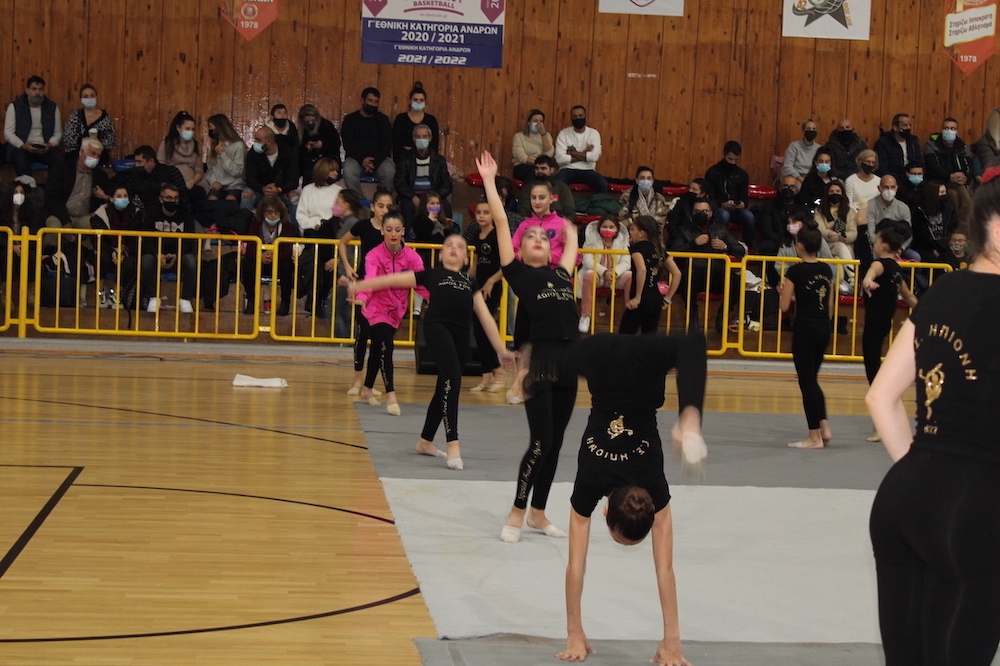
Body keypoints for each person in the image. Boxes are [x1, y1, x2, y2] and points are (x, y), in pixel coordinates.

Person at [866, 165, 1000, 666]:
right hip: (974, 508)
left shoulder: (941, 291)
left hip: (905, 496)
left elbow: (880, 397)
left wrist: (925, 470)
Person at [556, 331, 707, 666]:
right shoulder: (599, 481)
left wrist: (574, 633)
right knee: (547, 365)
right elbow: (664, 569)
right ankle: (690, 417)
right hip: (605, 357)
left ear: (605, 510)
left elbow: (576, 565)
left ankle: (691, 418)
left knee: (547, 365)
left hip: (609, 355)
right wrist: (671, 642)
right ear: (605, 510)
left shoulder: (650, 486)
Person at [477, 150, 580, 543]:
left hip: (569, 364)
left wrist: (566, 222)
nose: (538, 238)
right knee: (540, 441)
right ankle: (517, 511)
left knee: (556, 444)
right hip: (541, 365)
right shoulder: (519, 274)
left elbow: (570, 241)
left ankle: (539, 512)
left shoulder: (563, 275)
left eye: (543, 237)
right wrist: (490, 181)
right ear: (520, 251)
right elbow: (503, 222)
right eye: (531, 237)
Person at [351, 234, 511, 469]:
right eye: (449, 246)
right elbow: (392, 279)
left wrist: (501, 350)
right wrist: (362, 285)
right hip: (437, 328)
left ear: (467, 258)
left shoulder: (470, 281)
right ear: (441, 254)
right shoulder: (432, 274)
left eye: (460, 247)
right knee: (453, 378)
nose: (454, 248)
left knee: (445, 386)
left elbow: (485, 317)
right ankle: (453, 443)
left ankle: (425, 442)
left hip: (461, 335)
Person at [349, 208, 426, 416]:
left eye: (397, 230)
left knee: (378, 349)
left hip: (397, 311)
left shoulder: (412, 257)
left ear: (403, 231)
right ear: (382, 230)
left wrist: (437, 299)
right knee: (386, 345)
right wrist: (362, 298)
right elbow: (370, 279)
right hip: (375, 308)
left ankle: (367, 388)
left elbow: (421, 283)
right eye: (389, 229)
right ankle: (391, 394)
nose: (393, 234)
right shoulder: (373, 255)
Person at [860, 220, 918, 443]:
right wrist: (926, 312)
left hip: (875, 324)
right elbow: (909, 296)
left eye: (876, 241)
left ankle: (880, 425)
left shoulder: (881, 264)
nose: (875, 245)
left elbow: (871, 273)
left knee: (874, 373)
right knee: (876, 372)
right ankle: (883, 422)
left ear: (884, 246)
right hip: (885, 322)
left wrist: (867, 281)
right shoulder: (895, 268)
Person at [779, 225, 834, 449]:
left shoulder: (795, 272)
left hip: (805, 327)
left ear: (799, 246)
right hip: (823, 326)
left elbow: (784, 307)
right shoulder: (826, 270)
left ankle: (814, 436)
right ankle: (824, 427)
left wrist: (784, 293)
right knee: (813, 378)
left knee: (807, 381)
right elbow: (828, 303)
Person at [340, 186, 394, 395]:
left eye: (388, 206)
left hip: (384, 288)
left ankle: (369, 384)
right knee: (362, 333)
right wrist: (347, 267)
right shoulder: (363, 226)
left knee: (379, 338)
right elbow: (342, 243)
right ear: (372, 207)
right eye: (380, 206)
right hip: (364, 285)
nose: (384, 210)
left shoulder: (392, 230)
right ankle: (357, 380)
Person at [134, 183, 199, 314]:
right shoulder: (152, 215)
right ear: (161, 199)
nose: (173, 201)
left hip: (178, 256)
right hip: (157, 256)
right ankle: (153, 297)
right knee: (146, 260)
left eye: (175, 198)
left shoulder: (186, 215)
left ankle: (185, 299)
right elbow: (146, 241)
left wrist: (176, 255)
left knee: (190, 260)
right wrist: (158, 254)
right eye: (169, 198)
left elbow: (189, 243)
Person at [466, 198, 506, 392]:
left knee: (486, 330)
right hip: (478, 285)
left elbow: (506, 266)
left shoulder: (497, 235)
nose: (481, 216)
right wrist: (466, 279)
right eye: (479, 212)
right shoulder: (476, 235)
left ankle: (499, 372)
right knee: (477, 331)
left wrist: (491, 281)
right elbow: (477, 263)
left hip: (492, 286)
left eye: (486, 212)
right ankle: (486, 375)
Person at [619, 215, 681, 336]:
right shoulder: (659, 250)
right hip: (656, 299)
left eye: (633, 229)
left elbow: (642, 270)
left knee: (624, 336)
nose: (631, 232)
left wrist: (637, 297)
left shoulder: (637, 248)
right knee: (649, 339)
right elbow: (677, 273)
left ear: (641, 233)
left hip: (642, 300)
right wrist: (668, 298)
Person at [242, 196, 300, 316]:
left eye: (276, 212)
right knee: (247, 264)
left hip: (279, 262)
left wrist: (274, 256)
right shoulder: (255, 225)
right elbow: (250, 248)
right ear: (263, 213)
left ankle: (285, 303)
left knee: (287, 265)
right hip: (260, 262)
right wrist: (261, 256)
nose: (273, 215)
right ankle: (251, 301)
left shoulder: (288, 227)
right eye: (269, 212)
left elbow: (287, 250)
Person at [319, 188, 364, 336]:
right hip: (348, 273)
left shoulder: (351, 223)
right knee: (344, 311)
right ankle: (350, 341)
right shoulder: (348, 223)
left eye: (338, 201)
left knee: (333, 310)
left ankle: (346, 342)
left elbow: (355, 252)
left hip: (348, 275)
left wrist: (345, 273)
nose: (335, 204)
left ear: (346, 204)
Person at [578, 215, 632, 334]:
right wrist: (604, 271)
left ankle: (630, 315)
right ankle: (585, 316)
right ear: (599, 228)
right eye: (605, 226)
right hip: (598, 275)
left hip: (615, 277)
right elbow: (587, 260)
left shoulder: (622, 240)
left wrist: (614, 272)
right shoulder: (591, 239)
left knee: (629, 275)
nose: (608, 229)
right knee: (589, 274)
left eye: (611, 227)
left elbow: (626, 262)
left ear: (617, 229)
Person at [43, 136, 111, 230]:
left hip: (84, 217)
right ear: (82, 152)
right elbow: (52, 197)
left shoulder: (101, 176)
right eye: (93, 153)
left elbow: (106, 202)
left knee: (95, 225)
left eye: (98, 155)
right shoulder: (62, 169)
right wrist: (66, 221)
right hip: (59, 215)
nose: (95, 158)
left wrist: (98, 210)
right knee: (55, 227)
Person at [394, 123, 452, 229]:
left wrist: (434, 198)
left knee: (445, 206)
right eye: (418, 136)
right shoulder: (405, 158)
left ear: (430, 138)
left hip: (433, 196)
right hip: (412, 196)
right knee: (406, 207)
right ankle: (407, 236)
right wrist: (412, 196)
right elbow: (399, 182)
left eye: (424, 136)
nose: (421, 139)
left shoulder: (439, 160)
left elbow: (447, 184)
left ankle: (444, 235)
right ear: (413, 139)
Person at [4, 75, 64, 176]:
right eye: (34, 89)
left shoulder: (52, 107)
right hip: (22, 147)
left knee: (59, 160)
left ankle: (52, 185)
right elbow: (8, 133)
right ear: (27, 90)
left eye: (40, 89)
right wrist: (22, 145)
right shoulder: (15, 107)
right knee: (20, 158)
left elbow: (58, 132)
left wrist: (50, 144)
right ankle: (26, 185)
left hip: (45, 147)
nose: (37, 92)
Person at [341, 87, 395, 195]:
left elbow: (386, 144)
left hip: (380, 159)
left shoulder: (383, 120)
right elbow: (348, 144)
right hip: (356, 159)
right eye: (370, 100)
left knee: (391, 171)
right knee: (348, 170)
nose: (373, 104)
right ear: (362, 100)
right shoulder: (350, 119)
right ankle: (357, 201)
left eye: (376, 102)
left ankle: (383, 200)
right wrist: (362, 160)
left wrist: (375, 161)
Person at [924, 117, 974, 225]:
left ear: (957, 131)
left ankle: (962, 226)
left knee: (957, 193)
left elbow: (969, 166)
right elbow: (934, 166)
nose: (949, 131)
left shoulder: (963, 147)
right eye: (946, 128)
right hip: (938, 181)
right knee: (953, 195)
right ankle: (958, 226)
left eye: (952, 128)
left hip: (958, 182)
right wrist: (949, 176)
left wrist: (965, 177)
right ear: (941, 130)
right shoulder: (931, 145)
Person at [704, 141, 754, 245]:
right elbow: (709, 198)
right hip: (718, 209)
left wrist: (742, 204)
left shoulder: (742, 175)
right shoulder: (713, 172)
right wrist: (722, 204)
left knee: (749, 216)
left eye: (736, 160)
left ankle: (748, 246)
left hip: (736, 210)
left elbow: (744, 197)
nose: (733, 163)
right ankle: (720, 245)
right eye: (730, 159)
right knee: (724, 215)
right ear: (724, 154)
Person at [112, 145, 187, 212]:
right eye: (136, 162)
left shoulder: (171, 172)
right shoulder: (133, 174)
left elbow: (182, 196)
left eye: (140, 162)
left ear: (151, 161)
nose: (137, 165)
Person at [243, 126, 300, 211]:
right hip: (261, 191)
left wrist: (279, 189)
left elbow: (293, 180)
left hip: (282, 191)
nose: (255, 143)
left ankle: (296, 220)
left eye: (258, 140)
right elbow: (250, 178)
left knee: (294, 196)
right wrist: (262, 188)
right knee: (246, 194)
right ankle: (244, 218)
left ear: (269, 141)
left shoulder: (288, 152)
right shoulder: (253, 153)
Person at [813, 181, 857, 289]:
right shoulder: (819, 211)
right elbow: (821, 231)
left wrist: (842, 236)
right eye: (832, 191)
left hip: (846, 246)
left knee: (838, 260)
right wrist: (838, 236)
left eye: (838, 191)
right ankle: (852, 276)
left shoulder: (850, 211)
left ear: (842, 194)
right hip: (826, 246)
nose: (835, 193)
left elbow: (853, 233)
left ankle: (838, 287)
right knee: (840, 246)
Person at [554, 105, 608, 193]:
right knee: (558, 183)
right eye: (574, 116)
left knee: (603, 184)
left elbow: (594, 157)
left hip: (588, 170)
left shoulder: (593, 133)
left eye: (580, 116)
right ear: (571, 118)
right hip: (567, 169)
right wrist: (585, 153)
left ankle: (598, 202)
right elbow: (559, 158)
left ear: (585, 117)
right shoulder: (564, 133)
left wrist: (572, 152)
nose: (578, 118)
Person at [0, 179, 42, 291]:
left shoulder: (30, 212)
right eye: (16, 192)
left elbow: (35, 230)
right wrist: (11, 245)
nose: (19, 195)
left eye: (22, 193)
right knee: (6, 257)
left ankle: (30, 289)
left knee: (32, 257)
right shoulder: (2, 211)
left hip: (25, 246)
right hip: (5, 247)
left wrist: (24, 245)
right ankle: (5, 290)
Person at [62, 84, 116, 164]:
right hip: (76, 154)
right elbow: (67, 139)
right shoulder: (75, 116)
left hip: (98, 154)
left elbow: (111, 141)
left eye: (92, 95)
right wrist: (82, 142)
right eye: (86, 96)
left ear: (96, 97)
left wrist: (97, 143)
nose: (89, 98)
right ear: (81, 99)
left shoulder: (105, 118)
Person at [157, 111, 205, 199]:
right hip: (173, 183)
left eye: (192, 129)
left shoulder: (197, 146)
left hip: (192, 183)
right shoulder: (167, 144)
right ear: (178, 128)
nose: (190, 132)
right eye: (187, 129)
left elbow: (199, 170)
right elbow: (160, 166)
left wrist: (191, 182)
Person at [911, 180, 957, 263]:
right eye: (942, 192)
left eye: (945, 192)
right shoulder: (920, 211)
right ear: (933, 194)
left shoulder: (950, 209)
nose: (945, 195)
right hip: (926, 248)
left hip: (945, 246)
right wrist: (933, 250)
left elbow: (953, 229)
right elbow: (920, 237)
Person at [392, 82, 440, 163]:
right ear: (410, 101)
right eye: (415, 100)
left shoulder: (431, 120)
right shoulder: (401, 119)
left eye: (421, 100)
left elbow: (434, 145)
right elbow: (396, 144)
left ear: (425, 102)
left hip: (426, 161)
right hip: (404, 161)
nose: (418, 102)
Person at [517, 155, 575, 220]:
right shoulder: (528, 188)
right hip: (534, 222)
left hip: (558, 222)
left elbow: (570, 212)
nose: (539, 171)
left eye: (543, 168)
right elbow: (523, 212)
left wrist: (564, 224)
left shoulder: (562, 187)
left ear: (552, 170)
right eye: (537, 168)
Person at [756, 176, 804, 255]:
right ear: (779, 188)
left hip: (798, 239)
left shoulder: (802, 207)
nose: (788, 189)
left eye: (792, 187)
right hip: (777, 240)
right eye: (785, 186)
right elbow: (766, 231)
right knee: (767, 246)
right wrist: (782, 240)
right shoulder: (769, 205)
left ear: (797, 190)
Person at [296, 104, 342, 186]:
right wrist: (307, 148)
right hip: (310, 160)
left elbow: (336, 144)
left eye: (312, 120)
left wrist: (323, 145)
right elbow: (299, 150)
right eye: (307, 122)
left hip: (328, 157)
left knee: (326, 170)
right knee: (308, 172)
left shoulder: (327, 126)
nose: (310, 123)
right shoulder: (301, 131)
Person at [204, 114, 246, 201]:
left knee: (229, 200)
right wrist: (213, 181)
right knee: (212, 199)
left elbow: (237, 171)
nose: (210, 130)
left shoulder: (238, 145)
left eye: (211, 127)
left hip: (235, 186)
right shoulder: (214, 145)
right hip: (218, 185)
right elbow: (210, 169)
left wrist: (223, 155)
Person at [619, 166, 670, 231]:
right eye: (642, 178)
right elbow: (624, 219)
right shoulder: (626, 197)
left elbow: (660, 220)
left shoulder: (659, 198)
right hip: (632, 234)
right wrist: (638, 232)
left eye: (649, 178)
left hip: (653, 234)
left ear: (652, 181)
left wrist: (647, 232)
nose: (645, 181)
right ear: (637, 180)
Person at [874, 113, 921, 181]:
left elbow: (919, 162)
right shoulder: (883, 143)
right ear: (895, 127)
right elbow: (882, 168)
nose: (908, 128)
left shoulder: (913, 142)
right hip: (892, 179)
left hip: (912, 178)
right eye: (905, 125)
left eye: (910, 125)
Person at [511, 109, 554, 183]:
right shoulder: (519, 136)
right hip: (523, 166)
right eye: (535, 121)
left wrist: (543, 135)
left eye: (541, 121)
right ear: (528, 122)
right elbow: (522, 157)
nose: (538, 124)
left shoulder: (547, 136)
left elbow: (549, 154)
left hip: (542, 166)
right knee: (534, 172)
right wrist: (538, 164)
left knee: (551, 172)